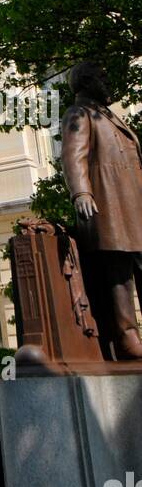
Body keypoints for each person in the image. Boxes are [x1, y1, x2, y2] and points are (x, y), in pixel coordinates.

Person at [61, 61, 142, 360]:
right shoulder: (80, 114)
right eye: (103, 77)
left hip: (134, 207)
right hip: (111, 206)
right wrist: (81, 191)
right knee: (118, 276)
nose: (108, 82)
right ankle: (127, 338)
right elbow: (73, 155)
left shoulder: (109, 116)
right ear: (86, 81)